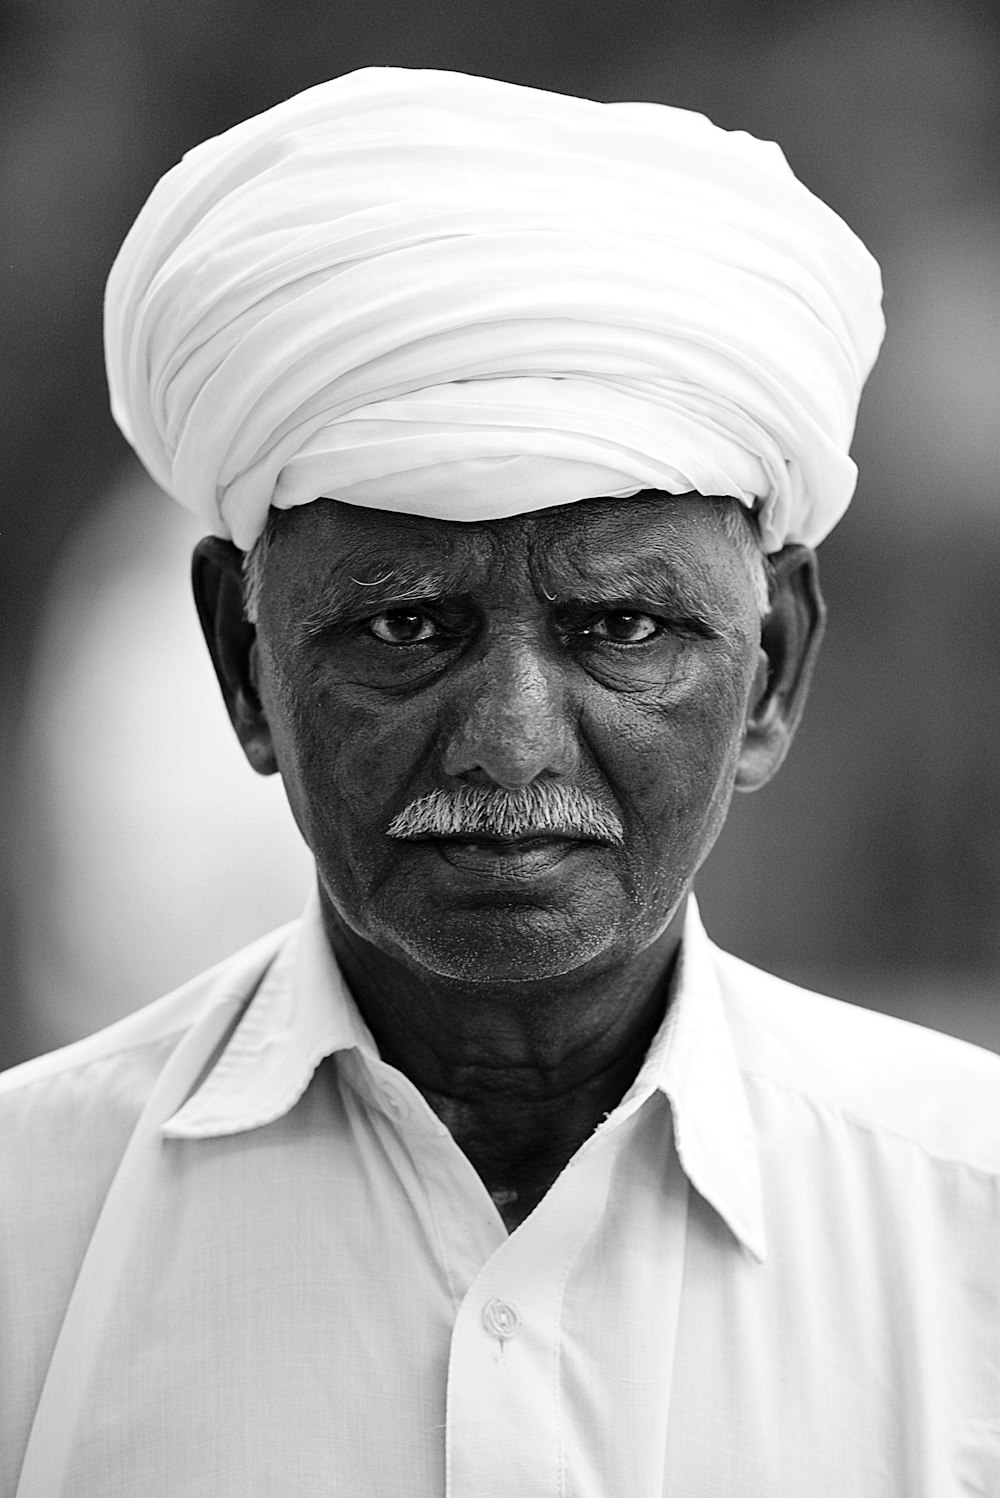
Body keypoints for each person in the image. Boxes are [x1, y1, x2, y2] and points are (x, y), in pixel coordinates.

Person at [2, 66, 997, 1497]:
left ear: (772, 669)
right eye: (407, 627)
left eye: (622, 629)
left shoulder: (970, 1224)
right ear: (244, 659)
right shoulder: (28, 1237)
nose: (511, 741)